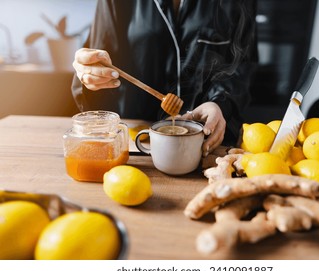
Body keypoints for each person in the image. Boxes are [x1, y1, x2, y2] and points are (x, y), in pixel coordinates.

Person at [72, 0, 257, 156]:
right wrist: (91, 75)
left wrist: (220, 104)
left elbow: (242, 65)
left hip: (208, 145)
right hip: (137, 146)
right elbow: (100, 62)